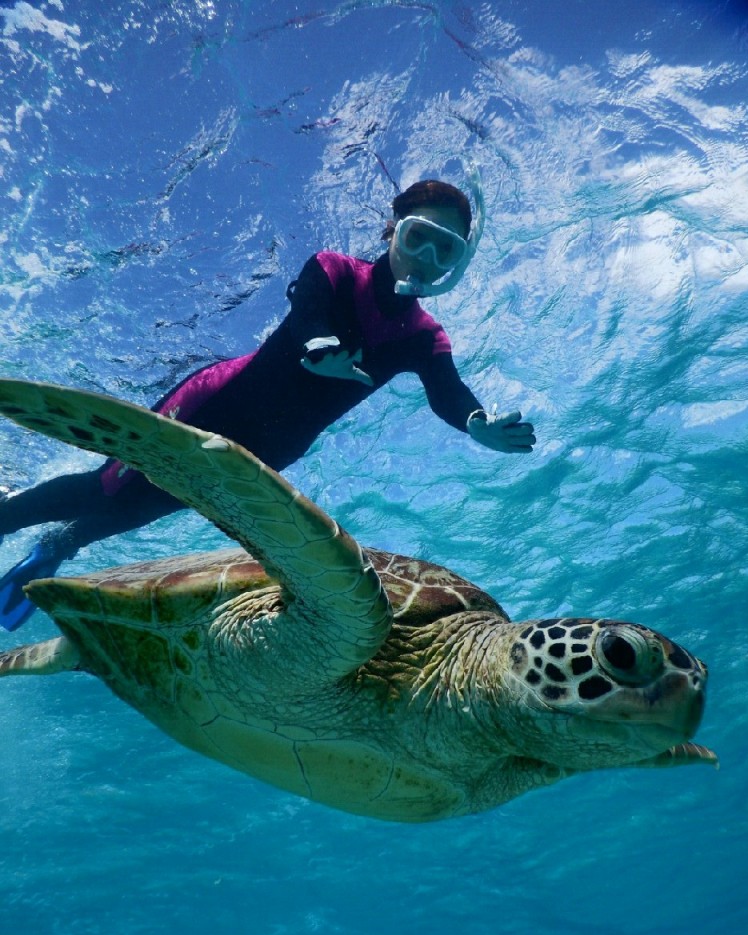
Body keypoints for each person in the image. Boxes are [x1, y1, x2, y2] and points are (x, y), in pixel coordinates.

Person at [0, 168, 535, 630]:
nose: (426, 257)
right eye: (419, 236)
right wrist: (319, 346)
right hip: (212, 406)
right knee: (107, 487)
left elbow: (448, 391)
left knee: (149, 504)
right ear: (394, 229)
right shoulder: (335, 269)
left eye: (447, 250)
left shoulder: (424, 337)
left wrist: (475, 422)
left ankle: (55, 549)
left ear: (456, 266)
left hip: (265, 452)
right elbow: (310, 314)